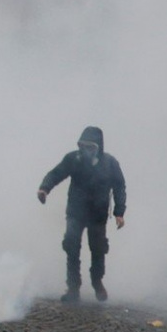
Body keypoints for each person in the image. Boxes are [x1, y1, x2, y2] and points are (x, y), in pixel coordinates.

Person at [36, 126, 126, 303]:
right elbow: (56, 173)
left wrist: (119, 212)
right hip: (75, 212)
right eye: (83, 146)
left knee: (98, 249)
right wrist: (44, 188)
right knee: (71, 246)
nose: (86, 151)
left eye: (90, 147)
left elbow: (119, 187)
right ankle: (73, 287)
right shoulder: (73, 159)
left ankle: (97, 281)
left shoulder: (110, 163)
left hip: (98, 215)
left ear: (98, 147)